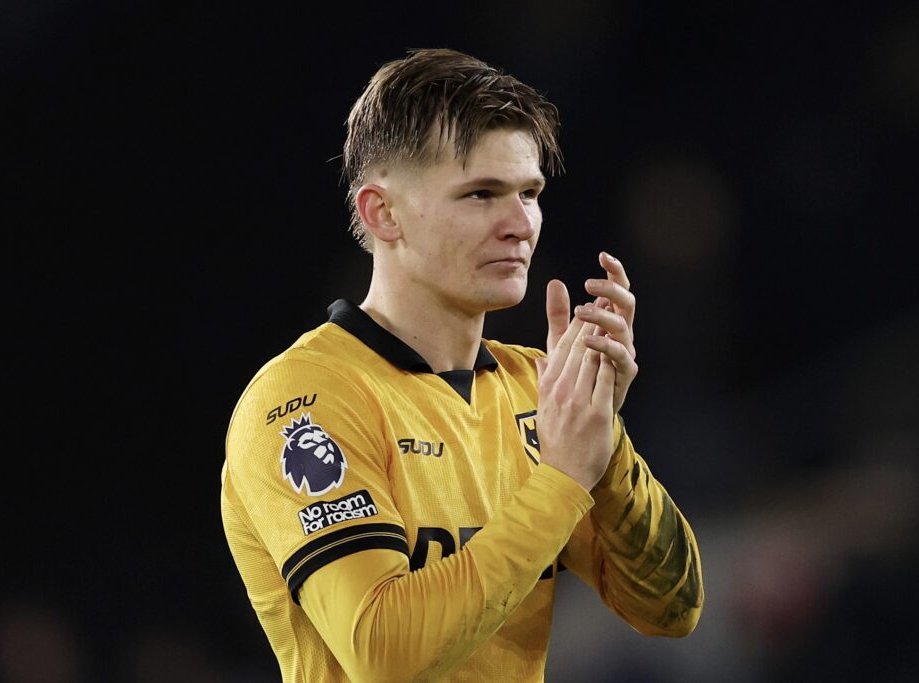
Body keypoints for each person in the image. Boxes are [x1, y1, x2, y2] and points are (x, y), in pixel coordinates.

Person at [220, 48, 703, 682]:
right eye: (481, 194)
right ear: (382, 212)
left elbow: (672, 610)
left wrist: (602, 445)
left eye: (529, 193)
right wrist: (561, 479)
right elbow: (383, 652)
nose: (520, 224)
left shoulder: (538, 390)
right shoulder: (307, 399)